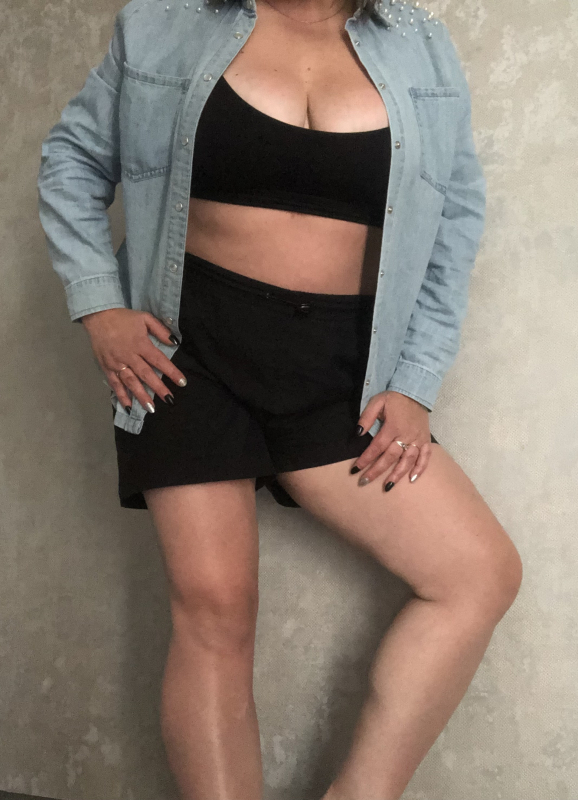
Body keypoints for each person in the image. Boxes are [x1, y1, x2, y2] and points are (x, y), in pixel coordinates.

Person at [37, 0, 523, 797]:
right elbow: (72, 159)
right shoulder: (163, 23)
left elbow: (454, 222)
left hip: (345, 371)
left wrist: (412, 381)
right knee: (215, 610)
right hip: (187, 352)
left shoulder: (421, 48)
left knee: (476, 575)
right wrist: (99, 304)